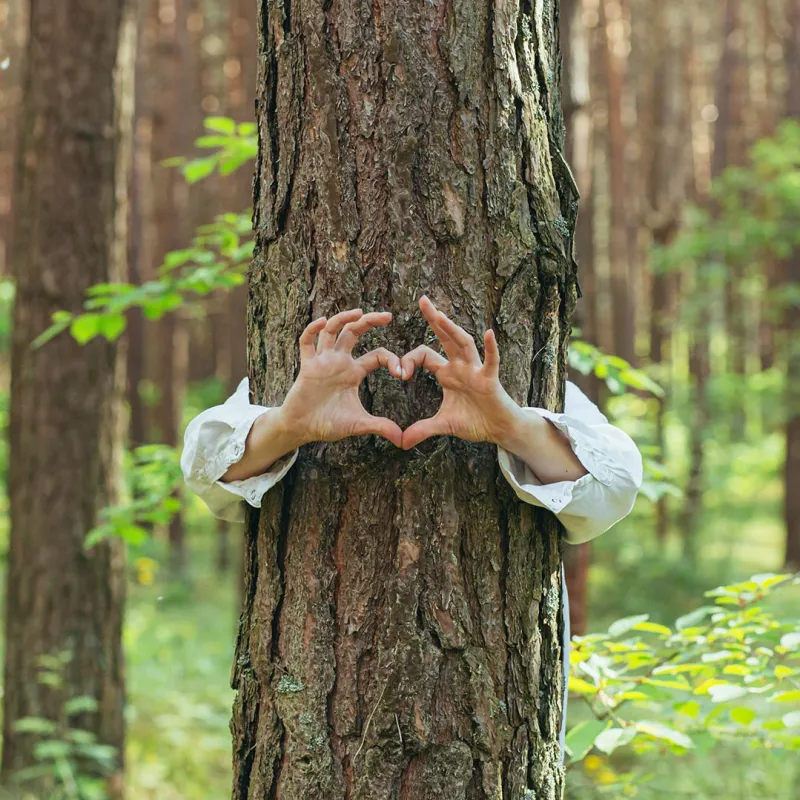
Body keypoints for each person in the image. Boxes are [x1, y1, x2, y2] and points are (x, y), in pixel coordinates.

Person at [181, 294, 643, 754]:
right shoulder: (277, 380)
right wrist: (287, 426)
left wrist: (511, 427)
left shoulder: (553, 391)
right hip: (306, 731)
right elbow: (203, 468)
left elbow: (615, 486)